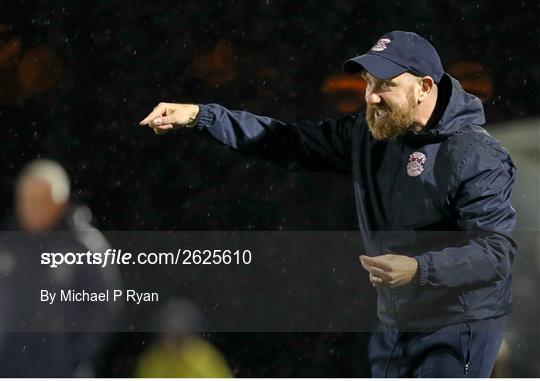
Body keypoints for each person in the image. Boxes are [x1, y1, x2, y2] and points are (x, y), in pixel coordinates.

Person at [139, 31, 517, 377]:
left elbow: (495, 253)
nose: (370, 96)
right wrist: (202, 116)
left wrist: (419, 268)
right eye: (369, 83)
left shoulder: (476, 155)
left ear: (424, 87)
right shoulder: (368, 135)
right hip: (396, 320)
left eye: (386, 85)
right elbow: (287, 140)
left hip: (459, 323)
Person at [0, 159, 122, 377]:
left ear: (61, 203)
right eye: (27, 200)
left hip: (65, 371)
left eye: (40, 200)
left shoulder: (85, 246)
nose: (32, 208)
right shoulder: (6, 245)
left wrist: (73, 355)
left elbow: (106, 307)